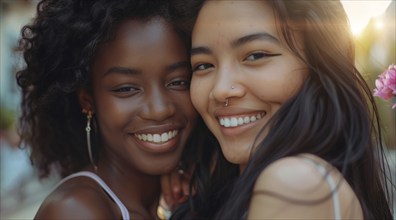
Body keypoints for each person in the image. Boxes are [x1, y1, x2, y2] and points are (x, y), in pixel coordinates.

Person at [172, 0, 394, 219]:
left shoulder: (294, 183)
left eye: (255, 56)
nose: (220, 90)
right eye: (203, 65)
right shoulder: (226, 188)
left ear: (317, 68)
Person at [15, 0, 206, 219]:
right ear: (88, 100)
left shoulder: (175, 199)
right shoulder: (75, 211)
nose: (160, 109)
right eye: (126, 88)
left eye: (179, 81)